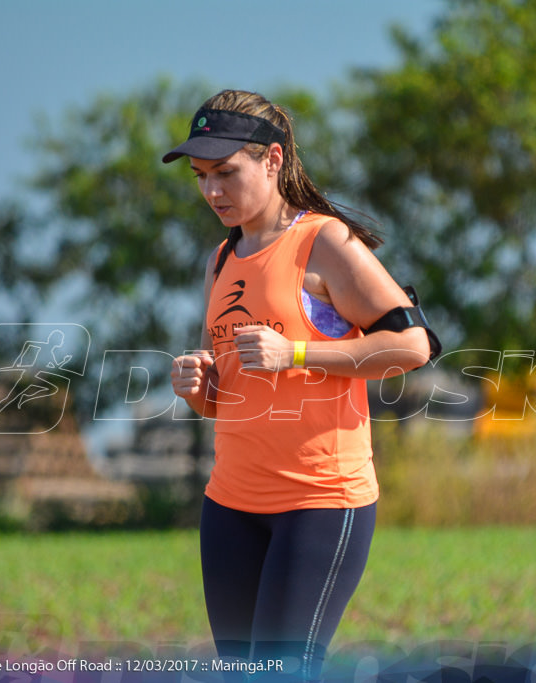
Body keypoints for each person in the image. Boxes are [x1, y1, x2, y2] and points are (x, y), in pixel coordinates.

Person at [164, 89, 434, 680]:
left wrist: (297, 352)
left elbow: (414, 346)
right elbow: (232, 396)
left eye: (226, 173)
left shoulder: (325, 242)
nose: (212, 191)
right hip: (230, 504)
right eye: (201, 176)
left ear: (273, 160)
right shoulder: (220, 259)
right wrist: (199, 390)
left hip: (318, 501)